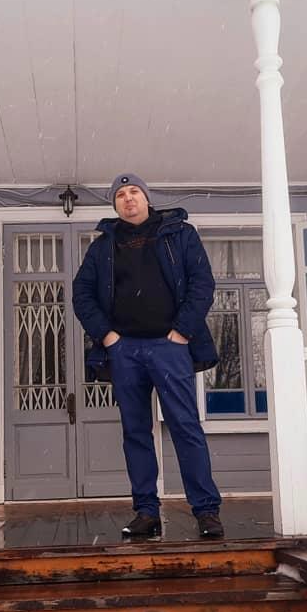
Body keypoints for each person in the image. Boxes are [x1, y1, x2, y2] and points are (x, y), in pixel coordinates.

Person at [72, 173, 224, 539]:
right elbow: (82, 293)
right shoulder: (103, 247)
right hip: (125, 351)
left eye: (134, 192)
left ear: (146, 198)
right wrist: (108, 337)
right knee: (136, 432)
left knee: (185, 427)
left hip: (170, 347)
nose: (128, 198)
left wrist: (181, 332)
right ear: (115, 205)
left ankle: (206, 511)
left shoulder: (180, 234)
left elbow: (202, 283)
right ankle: (146, 511)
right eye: (120, 195)